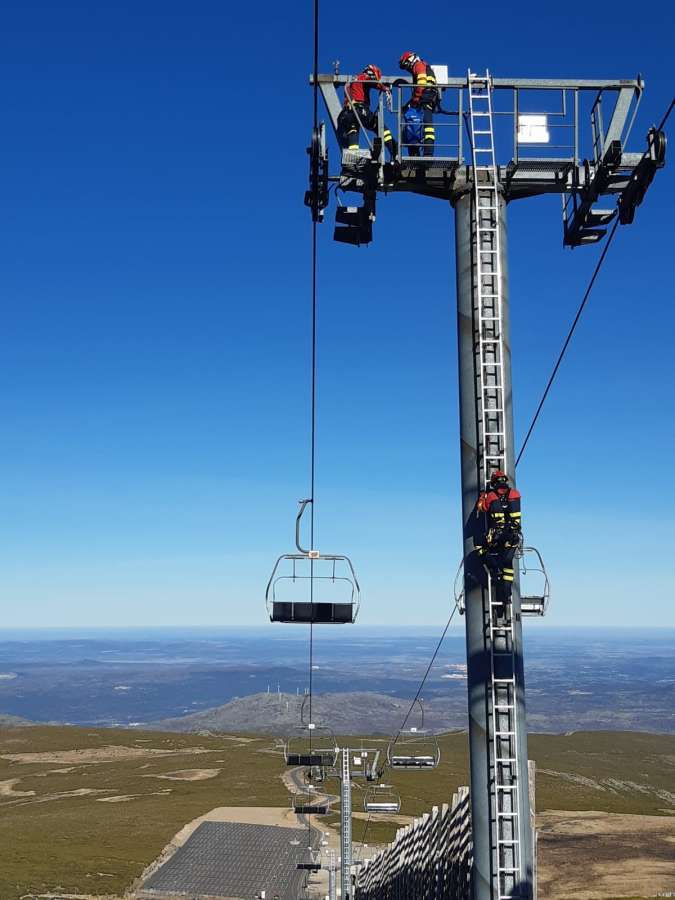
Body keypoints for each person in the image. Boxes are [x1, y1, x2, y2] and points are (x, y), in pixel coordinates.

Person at [474, 470, 522, 604]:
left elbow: (481, 508)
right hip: (512, 538)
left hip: (497, 537)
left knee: (479, 545)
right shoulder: (515, 494)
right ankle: (507, 595)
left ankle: (495, 570)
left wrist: (482, 496)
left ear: (494, 483)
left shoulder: (491, 496)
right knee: (508, 564)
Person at [337, 64, 398, 160]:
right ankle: (394, 151)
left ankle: (353, 155)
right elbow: (372, 82)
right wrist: (385, 88)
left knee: (353, 129)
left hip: (347, 113)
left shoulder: (353, 81)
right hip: (360, 110)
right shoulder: (364, 77)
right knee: (381, 127)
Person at [399, 51, 438, 156]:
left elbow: (421, 84)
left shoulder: (418, 65)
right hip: (428, 99)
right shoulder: (424, 65)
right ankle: (425, 152)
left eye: (407, 65)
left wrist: (414, 101)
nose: (407, 68)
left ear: (410, 60)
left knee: (417, 124)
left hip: (424, 99)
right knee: (426, 127)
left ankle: (422, 153)